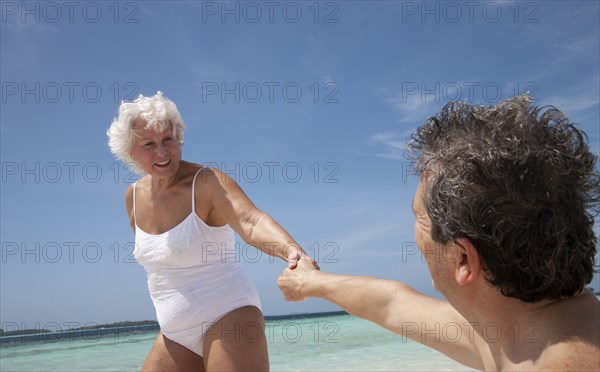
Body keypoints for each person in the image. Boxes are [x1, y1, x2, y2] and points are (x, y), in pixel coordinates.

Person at [278, 95, 600, 371]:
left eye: (419, 217)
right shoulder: (519, 332)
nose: (415, 233)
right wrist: (310, 282)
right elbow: (390, 304)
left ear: (462, 258)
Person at [107, 92, 314, 371]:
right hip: (174, 333)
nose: (162, 151)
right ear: (131, 151)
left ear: (179, 138)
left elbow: (251, 221)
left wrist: (294, 253)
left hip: (229, 314)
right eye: (149, 144)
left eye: (168, 139)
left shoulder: (206, 182)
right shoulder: (132, 197)